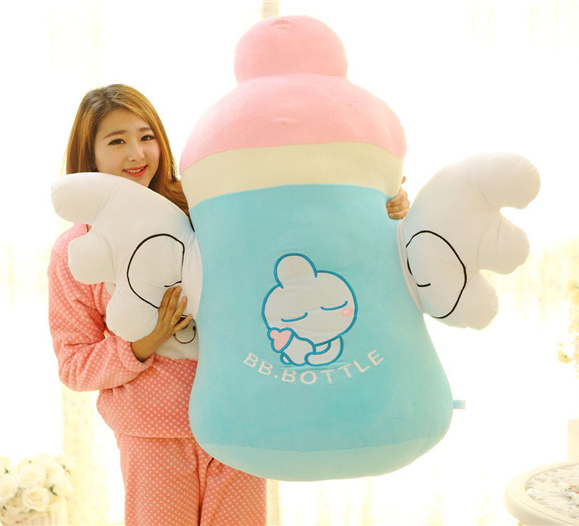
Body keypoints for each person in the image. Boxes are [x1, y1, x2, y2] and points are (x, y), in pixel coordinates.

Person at [48, 84, 411, 526]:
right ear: (89, 155)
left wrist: (378, 206)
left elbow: (292, 234)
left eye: (146, 136)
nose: (136, 153)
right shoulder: (78, 252)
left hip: (239, 417)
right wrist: (145, 342)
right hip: (152, 433)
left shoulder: (206, 212)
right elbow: (74, 365)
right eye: (116, 141)